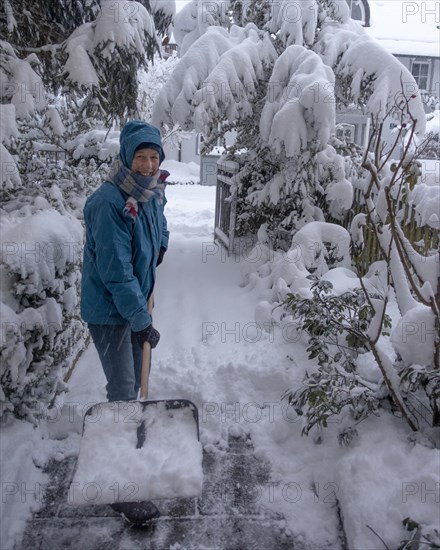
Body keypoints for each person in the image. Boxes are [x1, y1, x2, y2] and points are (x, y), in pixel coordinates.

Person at [80, 120, 169, 525]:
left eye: (154, 157)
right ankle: (118, 485)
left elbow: (158, 228)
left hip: (132, 306)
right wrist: (139, 319)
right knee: (121, 389)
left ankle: (129, 451)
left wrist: (161, 246)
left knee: (131, 384)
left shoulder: (146, 195)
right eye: (141, 157)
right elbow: (116, 271)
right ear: (125, 158)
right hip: (111, 311)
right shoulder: (108, 202)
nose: (148, 164)